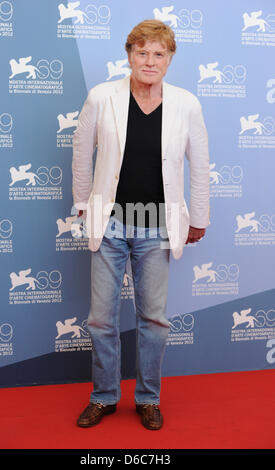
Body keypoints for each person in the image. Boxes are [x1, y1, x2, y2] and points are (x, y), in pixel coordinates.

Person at [72, 19, 210, 430]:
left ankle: (148, 398)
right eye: (142, 52)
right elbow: (82, 152)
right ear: (129, 54)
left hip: (157, 226)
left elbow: (199, 165)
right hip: (109, 223)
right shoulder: (102, 97)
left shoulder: (186, 103)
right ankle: (103, 396)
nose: (150, 61)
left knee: (153, 319)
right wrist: (82, 202)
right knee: (101, 318)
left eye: (159, 53)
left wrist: (198, 217)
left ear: (169, 59)